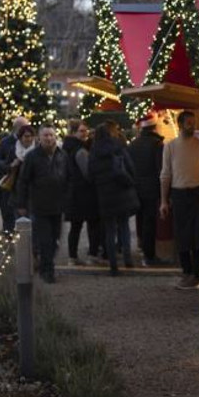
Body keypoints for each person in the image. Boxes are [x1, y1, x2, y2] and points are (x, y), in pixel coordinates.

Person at [161, 110, 199, 289]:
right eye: (189, 123)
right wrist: (163, 200)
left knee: (198, 235)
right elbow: (165, 174)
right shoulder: (170, 146)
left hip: (198, 193)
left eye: (193, 122)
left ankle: (196, 273)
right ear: (180, 124)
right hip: (179, 194)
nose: (192, 126)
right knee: (182, 235)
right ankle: (186, 272)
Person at [16, 126, 69, 283]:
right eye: (45, 135)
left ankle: (47, 265)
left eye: (51, 135)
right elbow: (23, 181)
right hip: (40, 205)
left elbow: (69, 177)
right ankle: (47, 271)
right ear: (39, 138)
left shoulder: (62, 155)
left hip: (58, 205)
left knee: (55, 239)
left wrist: (68, 197)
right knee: (45, 240)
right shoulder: (32, 156)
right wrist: (22, 203)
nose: (49, 138)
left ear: (55, 137)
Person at [88, 121, 138, 275]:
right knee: (124, 226)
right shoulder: (118, 147)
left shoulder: (94, 152)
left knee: (110, 230)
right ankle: (128, 260)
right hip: (122, 192)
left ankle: (113, 266)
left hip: (105, 196)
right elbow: (130, 167)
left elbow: (90, 175)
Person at [127, 116, 164, 266]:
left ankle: (142, 248)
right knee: (150, 221)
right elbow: (160, 168)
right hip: (152, 188)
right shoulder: (157, 144)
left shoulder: (133, 145)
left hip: (136, 188)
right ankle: (149, 256)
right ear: (154, 128)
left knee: (140, 219)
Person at [63, 119, 100, 263]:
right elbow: (88, 173)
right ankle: (92, 255)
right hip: (85, 193)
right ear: (73, 132)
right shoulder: (80, 150)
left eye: (86, 130)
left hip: (73, 192)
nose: (86, 134)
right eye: (82, 131)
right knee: (92, 224)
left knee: (75, 226)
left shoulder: (67, 147)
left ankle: (72, 256)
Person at [0, 116, 29, 233]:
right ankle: (9, 235)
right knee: (7, 211)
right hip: (8, 182)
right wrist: (9, 165)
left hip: (23, 183)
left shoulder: (29, 142)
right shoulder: (5, 142)